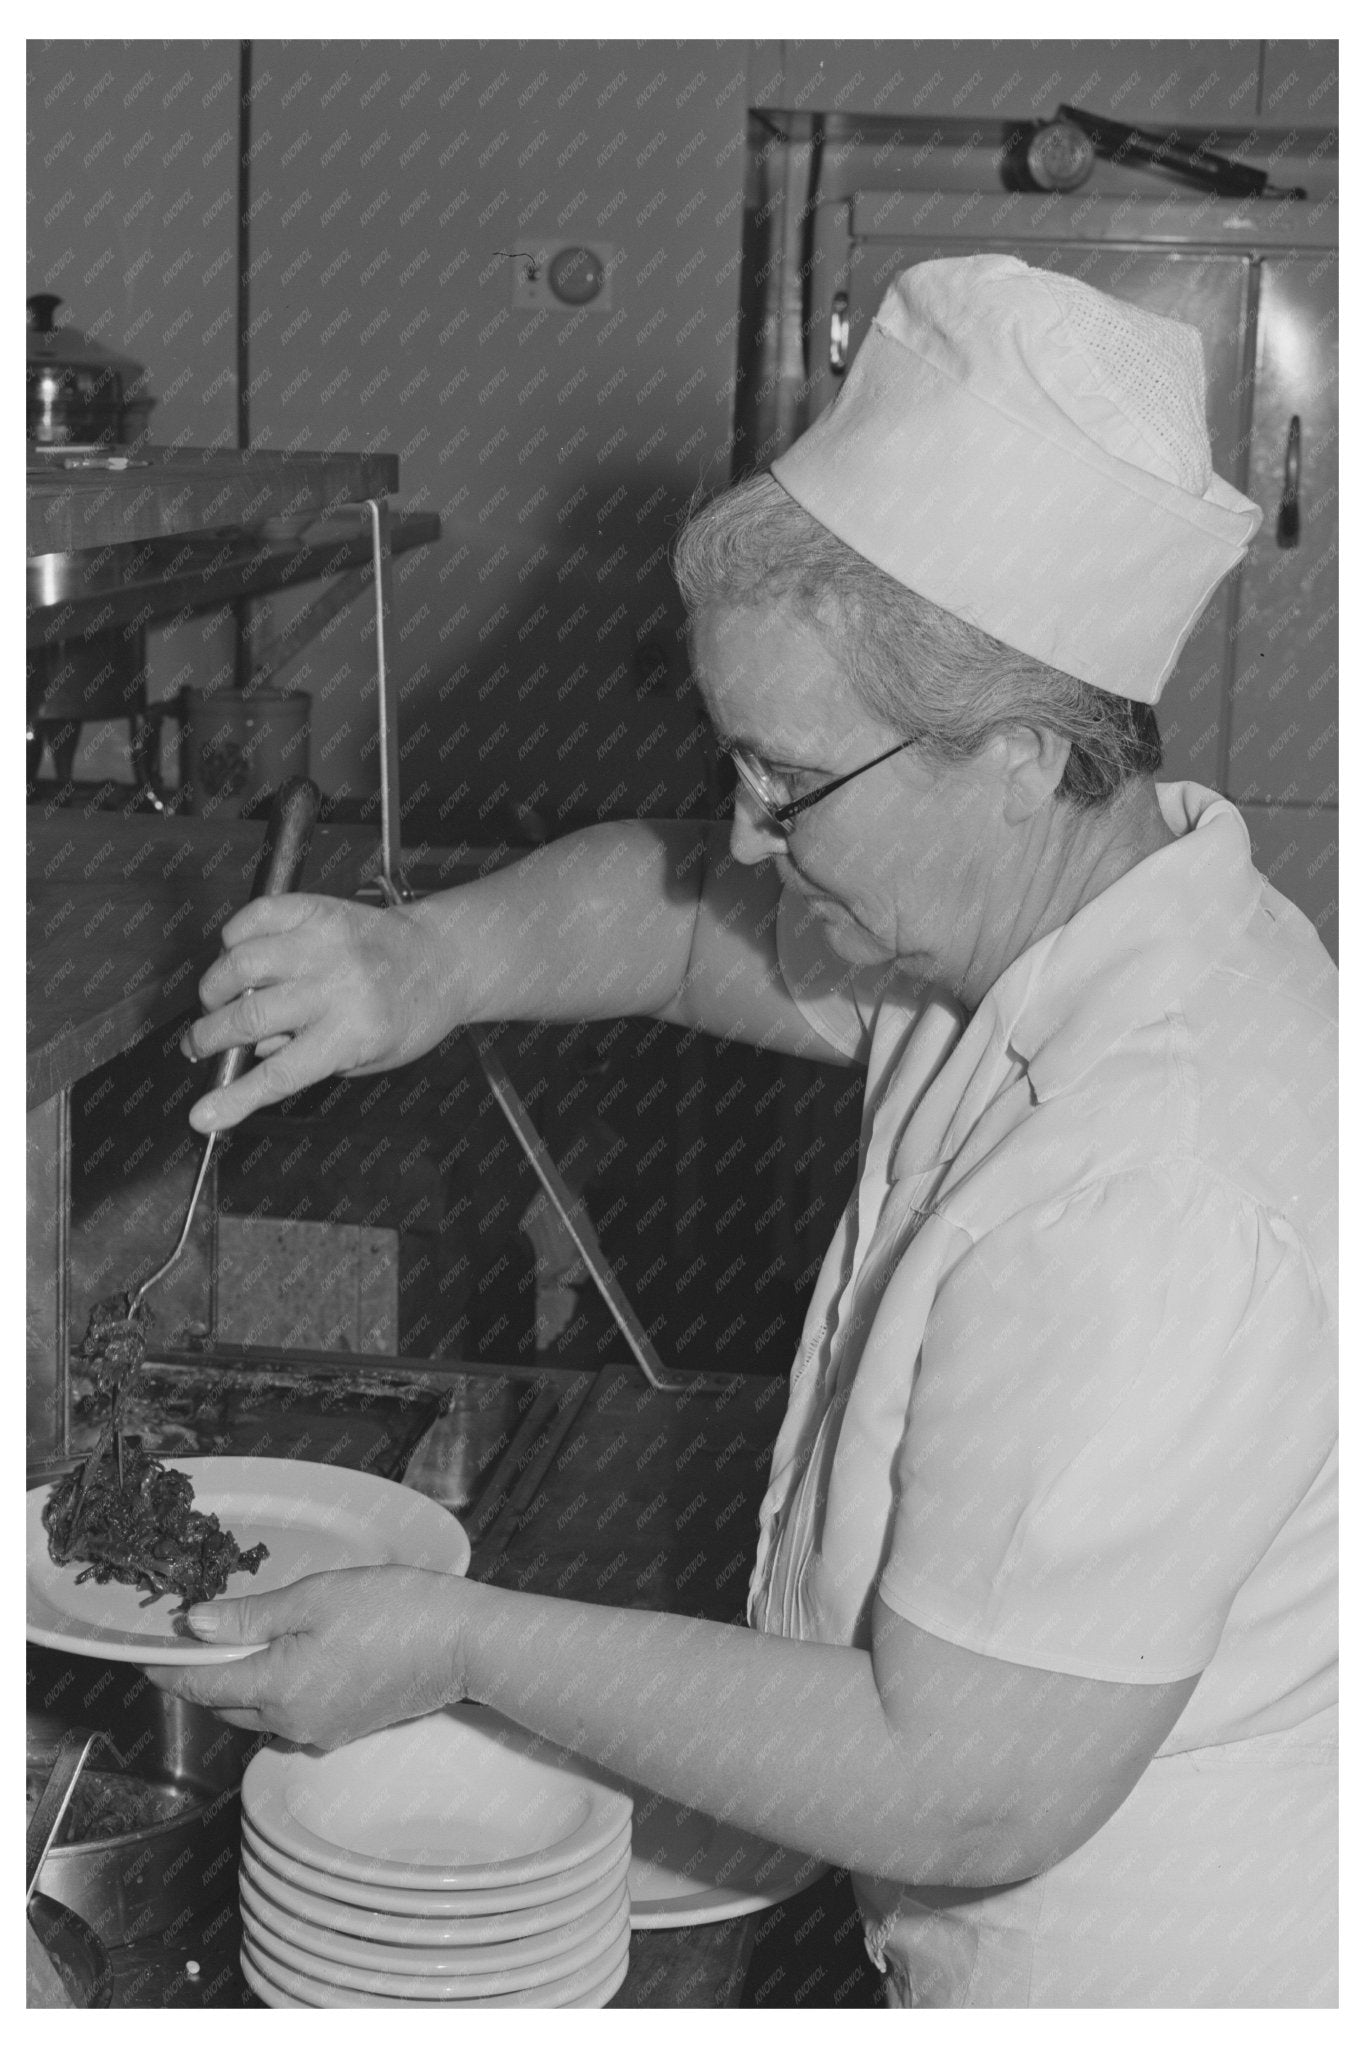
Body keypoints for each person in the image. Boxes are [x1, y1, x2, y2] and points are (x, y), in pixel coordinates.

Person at [149, 256, 1337, 2008]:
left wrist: (456, 1643)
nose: (749, 832)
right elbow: (681, 917)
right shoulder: (1051, 914)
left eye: (789, 778)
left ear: (1016, 753)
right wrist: (427, 961)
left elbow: (963, 1786)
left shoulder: (1151, 1187)